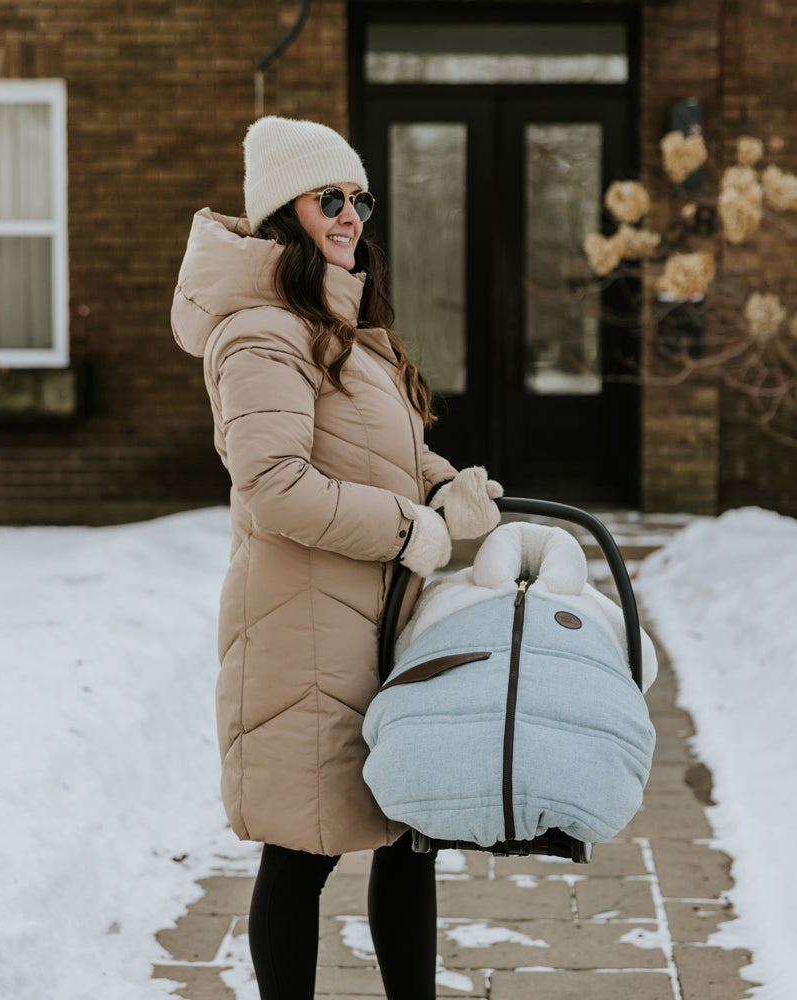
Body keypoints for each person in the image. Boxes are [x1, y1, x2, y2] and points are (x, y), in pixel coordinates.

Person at [171, 116, 503, 1000]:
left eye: (359, 197)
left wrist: (446, 489)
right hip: (304, 630)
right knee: (303, 848)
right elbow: (276, 484)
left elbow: (378, 454)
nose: (351, 214)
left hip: (378, 624)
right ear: (286, 216)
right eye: (330, 199)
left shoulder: (346, 325)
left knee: (409, 834)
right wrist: (408, 530)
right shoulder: (261, 334)